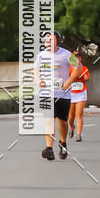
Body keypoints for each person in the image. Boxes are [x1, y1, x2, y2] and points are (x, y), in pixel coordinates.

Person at [35, 31, 81, 161]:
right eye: (46, 39)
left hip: (63, 94)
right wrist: (38, 81)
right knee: (49, 120)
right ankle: (49, 148)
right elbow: (35, 70)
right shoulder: (41, 55)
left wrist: (69, 81)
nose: (48, 41)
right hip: (46, 94)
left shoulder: (67, 54)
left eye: (51, 39)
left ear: (57, 41)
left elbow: (78, 67)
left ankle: (63, 142)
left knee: (62, 121)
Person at [68, 50, 90, 142]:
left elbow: (88, 78)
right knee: (70, 117)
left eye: (79, 57)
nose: (77, 58)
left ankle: (78, 134)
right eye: (75, 57)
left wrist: (85, 76)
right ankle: (72, 127)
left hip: (81, 93)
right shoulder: (68, 68)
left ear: (80, 58)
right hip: (71, 93)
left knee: (79, 115)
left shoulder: (84, 68)